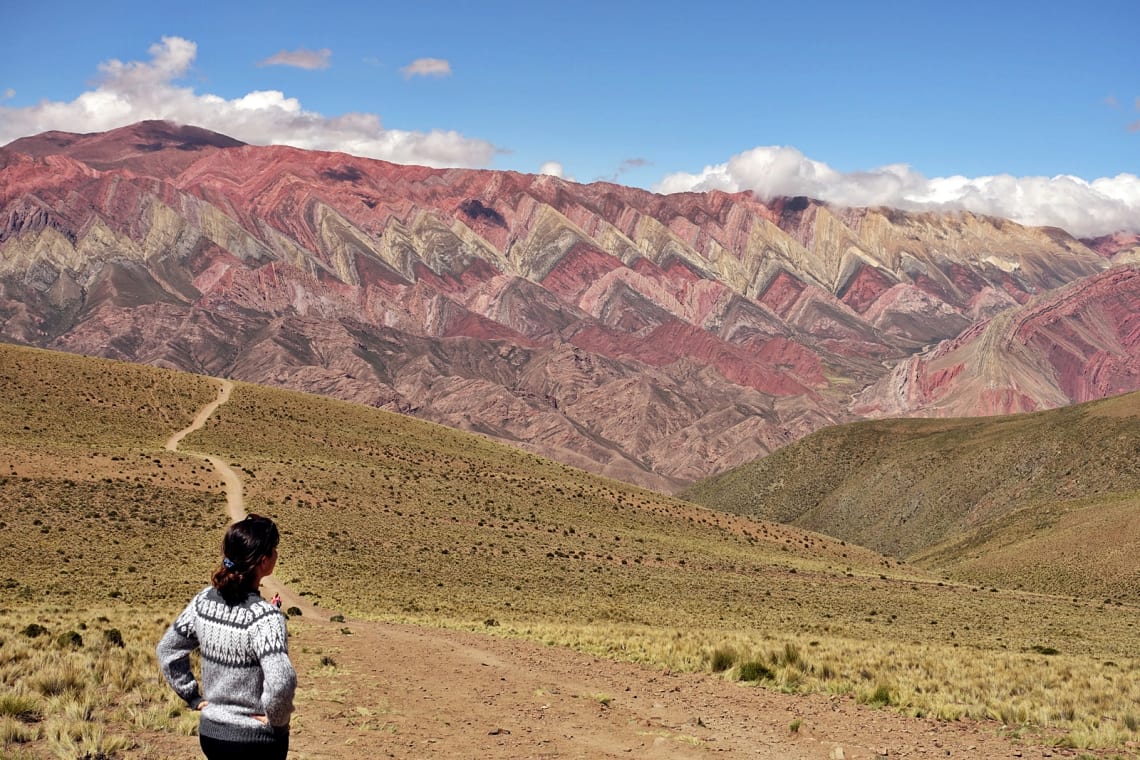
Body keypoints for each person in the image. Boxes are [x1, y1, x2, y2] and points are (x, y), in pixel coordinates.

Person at [157, 514, 296, 759]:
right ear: (263, 562)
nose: (277, 554)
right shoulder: (265, 617)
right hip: (256, 741)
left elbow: (167, 649)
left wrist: (193, 697)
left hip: (211, 735)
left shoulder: (203, 602)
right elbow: (282, 680)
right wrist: (276, 721)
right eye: (274, 549)